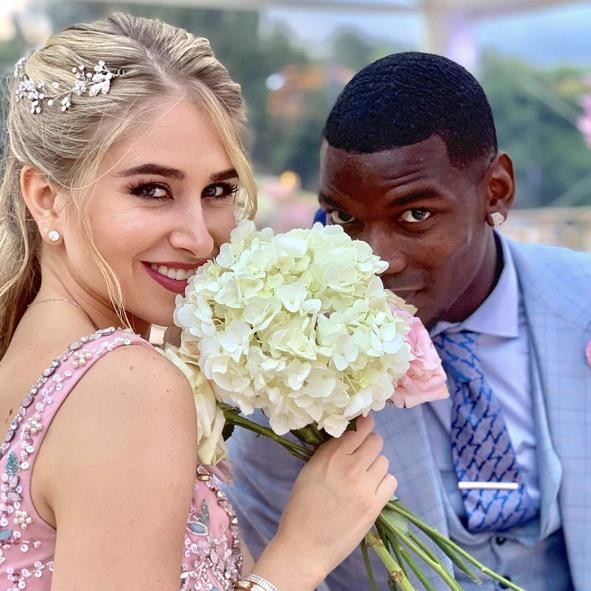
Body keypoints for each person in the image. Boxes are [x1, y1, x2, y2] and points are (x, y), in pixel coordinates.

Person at [0, 14, 398, 590]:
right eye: (152, 190)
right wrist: (300, 554)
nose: (199, 237)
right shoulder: (126, 385)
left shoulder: (26, 356)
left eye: (217, 190)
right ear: (45, 199)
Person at [227, 52, 591, 590]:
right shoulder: (291, 365)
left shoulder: (581, 303)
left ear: (496, 190)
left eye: (415, 215)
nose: (375, 260)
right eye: (344, 218)